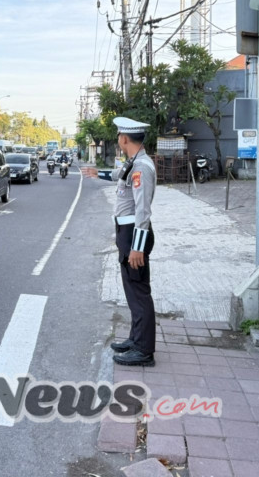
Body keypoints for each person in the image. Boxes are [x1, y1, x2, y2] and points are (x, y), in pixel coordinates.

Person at [110, 117, 157, 367]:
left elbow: (143, 211)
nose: (118, 139)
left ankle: (144, 350)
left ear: (125, 139)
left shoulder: (142, 168)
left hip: (134, 235)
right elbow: (120, 178)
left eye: (119, 135)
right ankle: (135, 339)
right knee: (132, 291)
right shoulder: (134, 163)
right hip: (126, 233)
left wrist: (137, 246)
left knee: (139, 293)